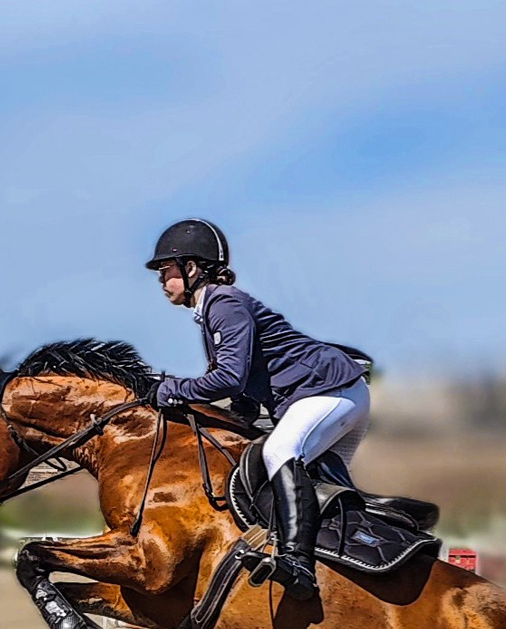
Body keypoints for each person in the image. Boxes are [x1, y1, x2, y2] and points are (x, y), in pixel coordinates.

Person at [146, 219, 368, 599]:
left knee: (280, 452)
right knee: (322, 485)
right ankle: (368, 547)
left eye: (167, 270)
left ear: (192, 268)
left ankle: (297, 564)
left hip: (330, 391)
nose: (162, 280)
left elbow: (229, 376)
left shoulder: (224, 304)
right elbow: (246, 386)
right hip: (333, 393)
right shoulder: (213, 309)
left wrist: (173, 389)